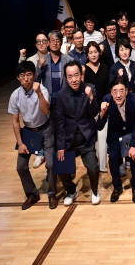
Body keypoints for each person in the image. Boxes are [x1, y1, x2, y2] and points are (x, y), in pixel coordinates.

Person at [9, 61, 57, 209]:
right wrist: (20, 143)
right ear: (18, 78)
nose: (26, 79)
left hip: (45, 128)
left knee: (51, 164)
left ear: (34, 75)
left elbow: (46, 111)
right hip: (29, 131)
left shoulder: (42, 89)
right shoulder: (15, 95)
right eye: (22, 75)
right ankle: (32, 193)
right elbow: (15, 121)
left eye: (29, 74)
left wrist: (39, 94)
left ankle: (52, 194)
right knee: (20, 167)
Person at [55, 61, 101, 205]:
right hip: (69, 139)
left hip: (86, 137)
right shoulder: (61, 94)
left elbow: (94, 112)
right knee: (61, 167)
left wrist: (91, 98)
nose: (74, 79)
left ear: (81, 75)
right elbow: (60, 122)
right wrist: (61, 146)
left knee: (93, 167)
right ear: (66, 78)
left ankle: (95, 190)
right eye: (70, 77)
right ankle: (71, 191)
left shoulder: (90, 88)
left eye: (76, 75)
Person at [97, 76, 135, 203]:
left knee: (134, 157)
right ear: (111, 92)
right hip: (115, 134)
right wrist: (102, 112)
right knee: (113, 158)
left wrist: (134, 145)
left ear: (127, 91)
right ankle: (117, 187)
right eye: (115, 91)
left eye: (121, 90)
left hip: (130, 132)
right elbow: (99, 126)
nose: (118, 95)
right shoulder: (107, 100)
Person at [83, 41, 110, 173]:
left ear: (99, 53)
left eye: (95, 52)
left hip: (103, 107)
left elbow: (108, 87)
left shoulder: (105, 68)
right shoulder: (84, 69)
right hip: (89, 108)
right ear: (87, 55)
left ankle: (102, 165)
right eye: (90, 52)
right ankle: (93, 164)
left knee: (102, 137)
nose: (93, 55)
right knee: (92, 138)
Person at [35, 30, 73, 110]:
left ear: (61, 42)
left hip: (65, 103)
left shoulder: (69, 60)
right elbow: (36, 81)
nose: (55, 43)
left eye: (58, 41)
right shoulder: (42, 61)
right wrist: (39, 68)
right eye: (52, 40)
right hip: (48, 103)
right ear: (48, 43)